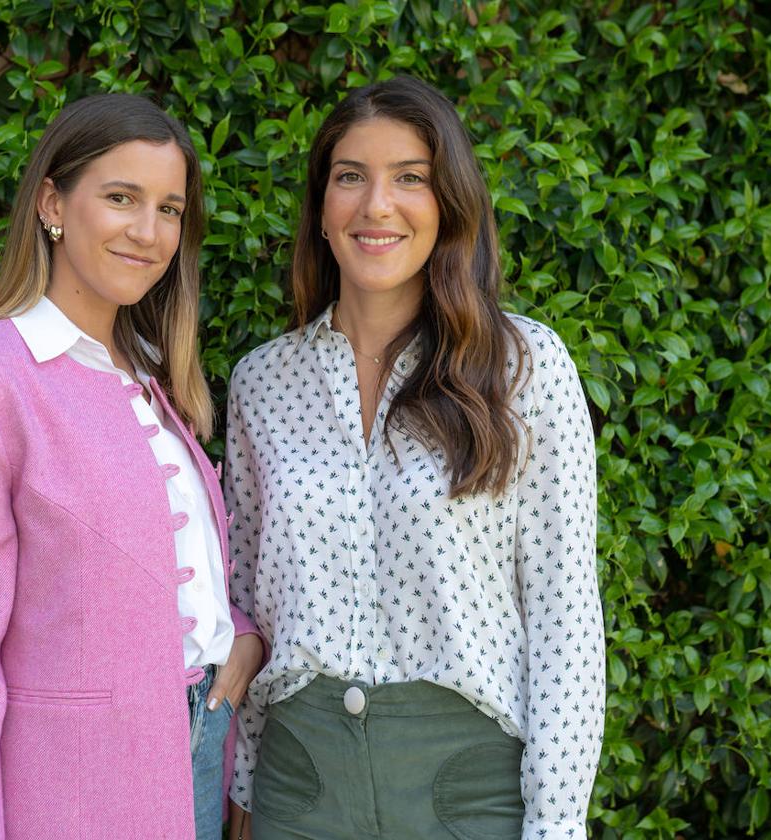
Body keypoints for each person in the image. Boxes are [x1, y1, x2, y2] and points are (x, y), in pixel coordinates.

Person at [223, 76, 604, 840]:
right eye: (349, 177)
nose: (376, 206)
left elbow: (567, 626)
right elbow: (249, 600)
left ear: (449, 205)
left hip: (467, 794)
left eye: (410, 178)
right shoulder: (261, 381)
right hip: (299, 790)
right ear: (321, 210)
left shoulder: (524, 367)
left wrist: (556, 827)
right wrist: (241, 788)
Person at [0, 93, 264, 840]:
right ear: (52, 203)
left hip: (195, 758)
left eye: (169, 209)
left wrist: (239, 639)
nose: (148, 231)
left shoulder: (154, 378)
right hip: (66, 794)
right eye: (121, 198)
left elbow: (145, 574)